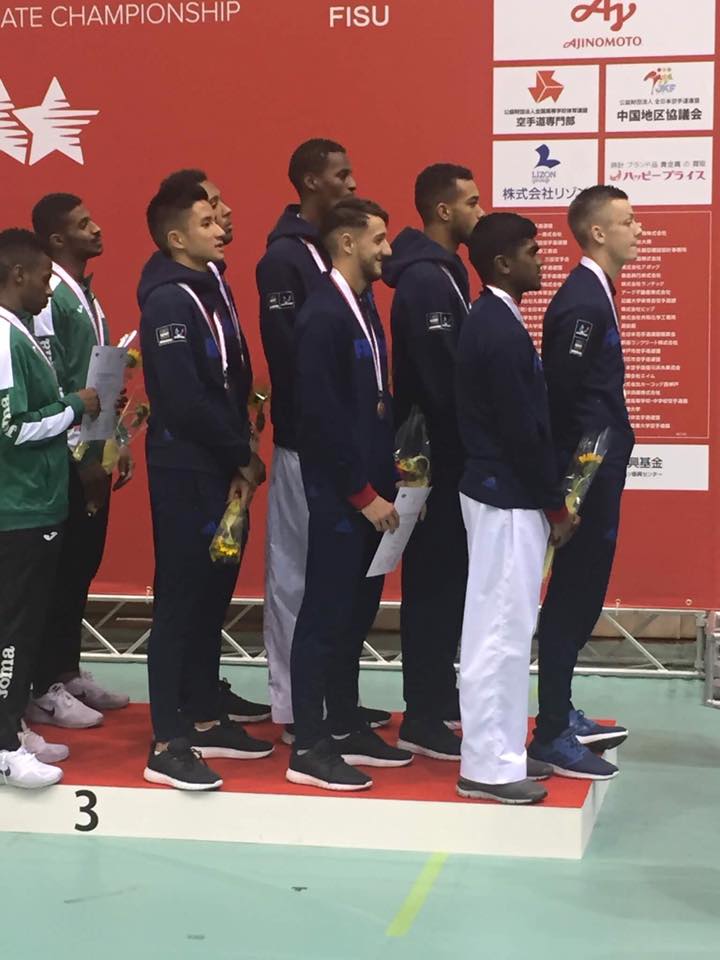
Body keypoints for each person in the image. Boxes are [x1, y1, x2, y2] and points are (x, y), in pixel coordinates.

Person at [138, 181, 273, 791]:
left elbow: (225, 378)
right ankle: (167, 740)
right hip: (187, 468)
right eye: (204, 222)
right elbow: (185, 398)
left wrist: (239, 451)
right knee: (180, 599)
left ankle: (203, 713)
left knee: (213, 592)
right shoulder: (170, 300)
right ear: (176, 239)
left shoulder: (207, 286)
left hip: (219, 464)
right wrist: (239, 452)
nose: (220, 227)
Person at [257, 139, 389, 739]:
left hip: (347, 450)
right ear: (311, 181)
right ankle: (296, 712)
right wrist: (327, 451)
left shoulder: (349, 276)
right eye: (342, 173)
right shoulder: (285, 260)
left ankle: (334, 706)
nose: (352, 181)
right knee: (299, 577)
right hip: (306, 447)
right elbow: (298, 368)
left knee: (342, 589)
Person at [287, 197, 413, 792]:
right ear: (346, 243)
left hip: (371, 491)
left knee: (355, 615)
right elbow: (320, 417)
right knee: (324, 615)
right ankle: (308, 745)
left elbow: (370, 404)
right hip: (342, 497)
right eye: (379, 239)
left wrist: (392, 472)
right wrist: (361, 492)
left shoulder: (361, 305)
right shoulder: (321, 315)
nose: (388, 249)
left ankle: (342, 720)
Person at [454, 213, 578, 805]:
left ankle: (502, 748)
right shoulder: (497, 328)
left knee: (507, 626)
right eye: (531, 251)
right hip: (505, 495)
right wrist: (554, 503)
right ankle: (487, 764)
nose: (541, 259)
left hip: (505, 492)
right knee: (500, 630)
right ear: (503, 263)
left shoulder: (498, 320)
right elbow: (521, 430)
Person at [528, 186, 641, 779]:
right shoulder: (581, 303)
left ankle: (560, 711)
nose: (638, 229)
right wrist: (565, 490)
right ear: (597, 232)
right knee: (573, 594)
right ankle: (550, 732)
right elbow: (562, 396)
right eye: (627, 221)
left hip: (599, 465)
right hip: (585, 474)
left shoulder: (597, 294)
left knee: (585, 591)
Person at [384, 163, 484, 761]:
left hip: (450, 454)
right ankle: (422, 712)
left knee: (447, 582)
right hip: (434, 459)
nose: (479, 211)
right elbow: (440, 381)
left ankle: (438, 696)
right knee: (432, 583)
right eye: (471, 202)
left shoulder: (445, 273)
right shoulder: (425, 280)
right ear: (443, 210)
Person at [24, 194, 131, 731]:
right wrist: (80, 455)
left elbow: (96, 377)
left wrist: (115, 440)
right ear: (57, 239)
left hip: (94, 446)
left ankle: (65, 671)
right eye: (83, 224)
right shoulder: (49, 300)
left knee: (81, 567)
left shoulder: (85, 293)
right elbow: (54, 381)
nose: (97, 228)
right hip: (67, 455)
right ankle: (41, 684)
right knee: (59, 572)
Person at [0, 228, 99, 788]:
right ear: (17, 275)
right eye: (43, 278)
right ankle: (4, 747)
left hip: (36, 503)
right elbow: (10, 428)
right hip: (18, 506)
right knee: (12, 631)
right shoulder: (3, 336)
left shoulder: (18, 332)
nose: (49, 288)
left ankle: (12, 729)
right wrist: (73, 407)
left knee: (25, 627)